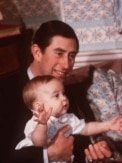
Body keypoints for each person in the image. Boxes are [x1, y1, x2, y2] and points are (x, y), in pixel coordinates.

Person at [6, 20, 114, 163]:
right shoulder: (6, 91)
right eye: (59, 53)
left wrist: (94, 154)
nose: (66, 65)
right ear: (37, 52)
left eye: (72, 56)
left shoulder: (67, 93)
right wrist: (47, 155)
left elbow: (80, 144)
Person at [15, 75, 122, 162]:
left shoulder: (67, 118)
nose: (64, 98)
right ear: (40, 107)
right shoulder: (37, 122)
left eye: (63, 93)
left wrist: (108, 125)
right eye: (56, 96)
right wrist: (42, 124)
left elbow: (86, 128)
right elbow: (38, 142)